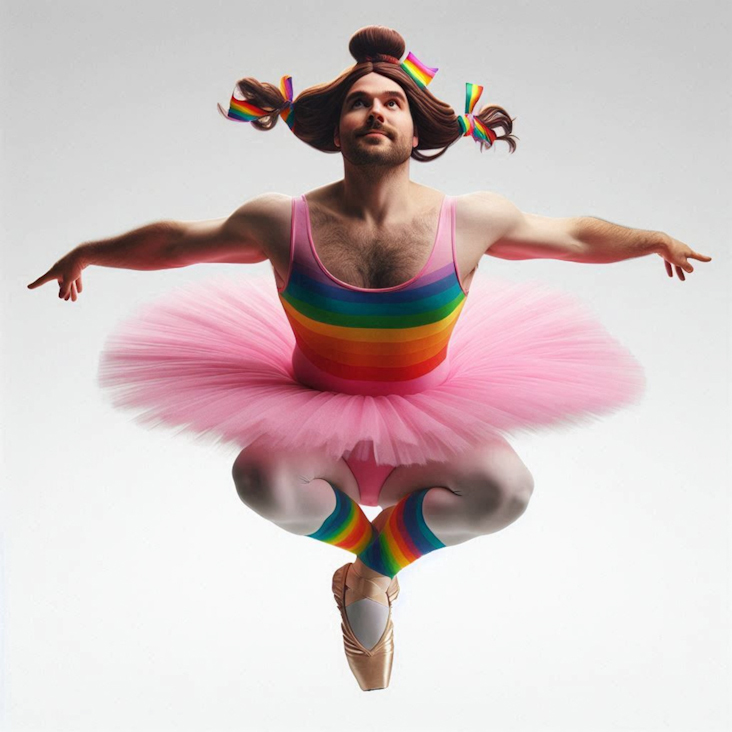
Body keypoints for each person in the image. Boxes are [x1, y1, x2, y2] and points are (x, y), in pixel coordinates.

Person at [27, 25, 711, 691]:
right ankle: (369, 561)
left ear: (420, 133)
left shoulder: (469, 219)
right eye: (359, 101)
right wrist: (91, 251)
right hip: (313, 426)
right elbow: (180, 241)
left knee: (508, 491)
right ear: (336, 130)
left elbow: (571, 234)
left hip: (430, 428)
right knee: (260, 480)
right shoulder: (280, 220)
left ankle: (372, 575)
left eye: (392, 102)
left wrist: (650, 238)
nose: (375, 110)